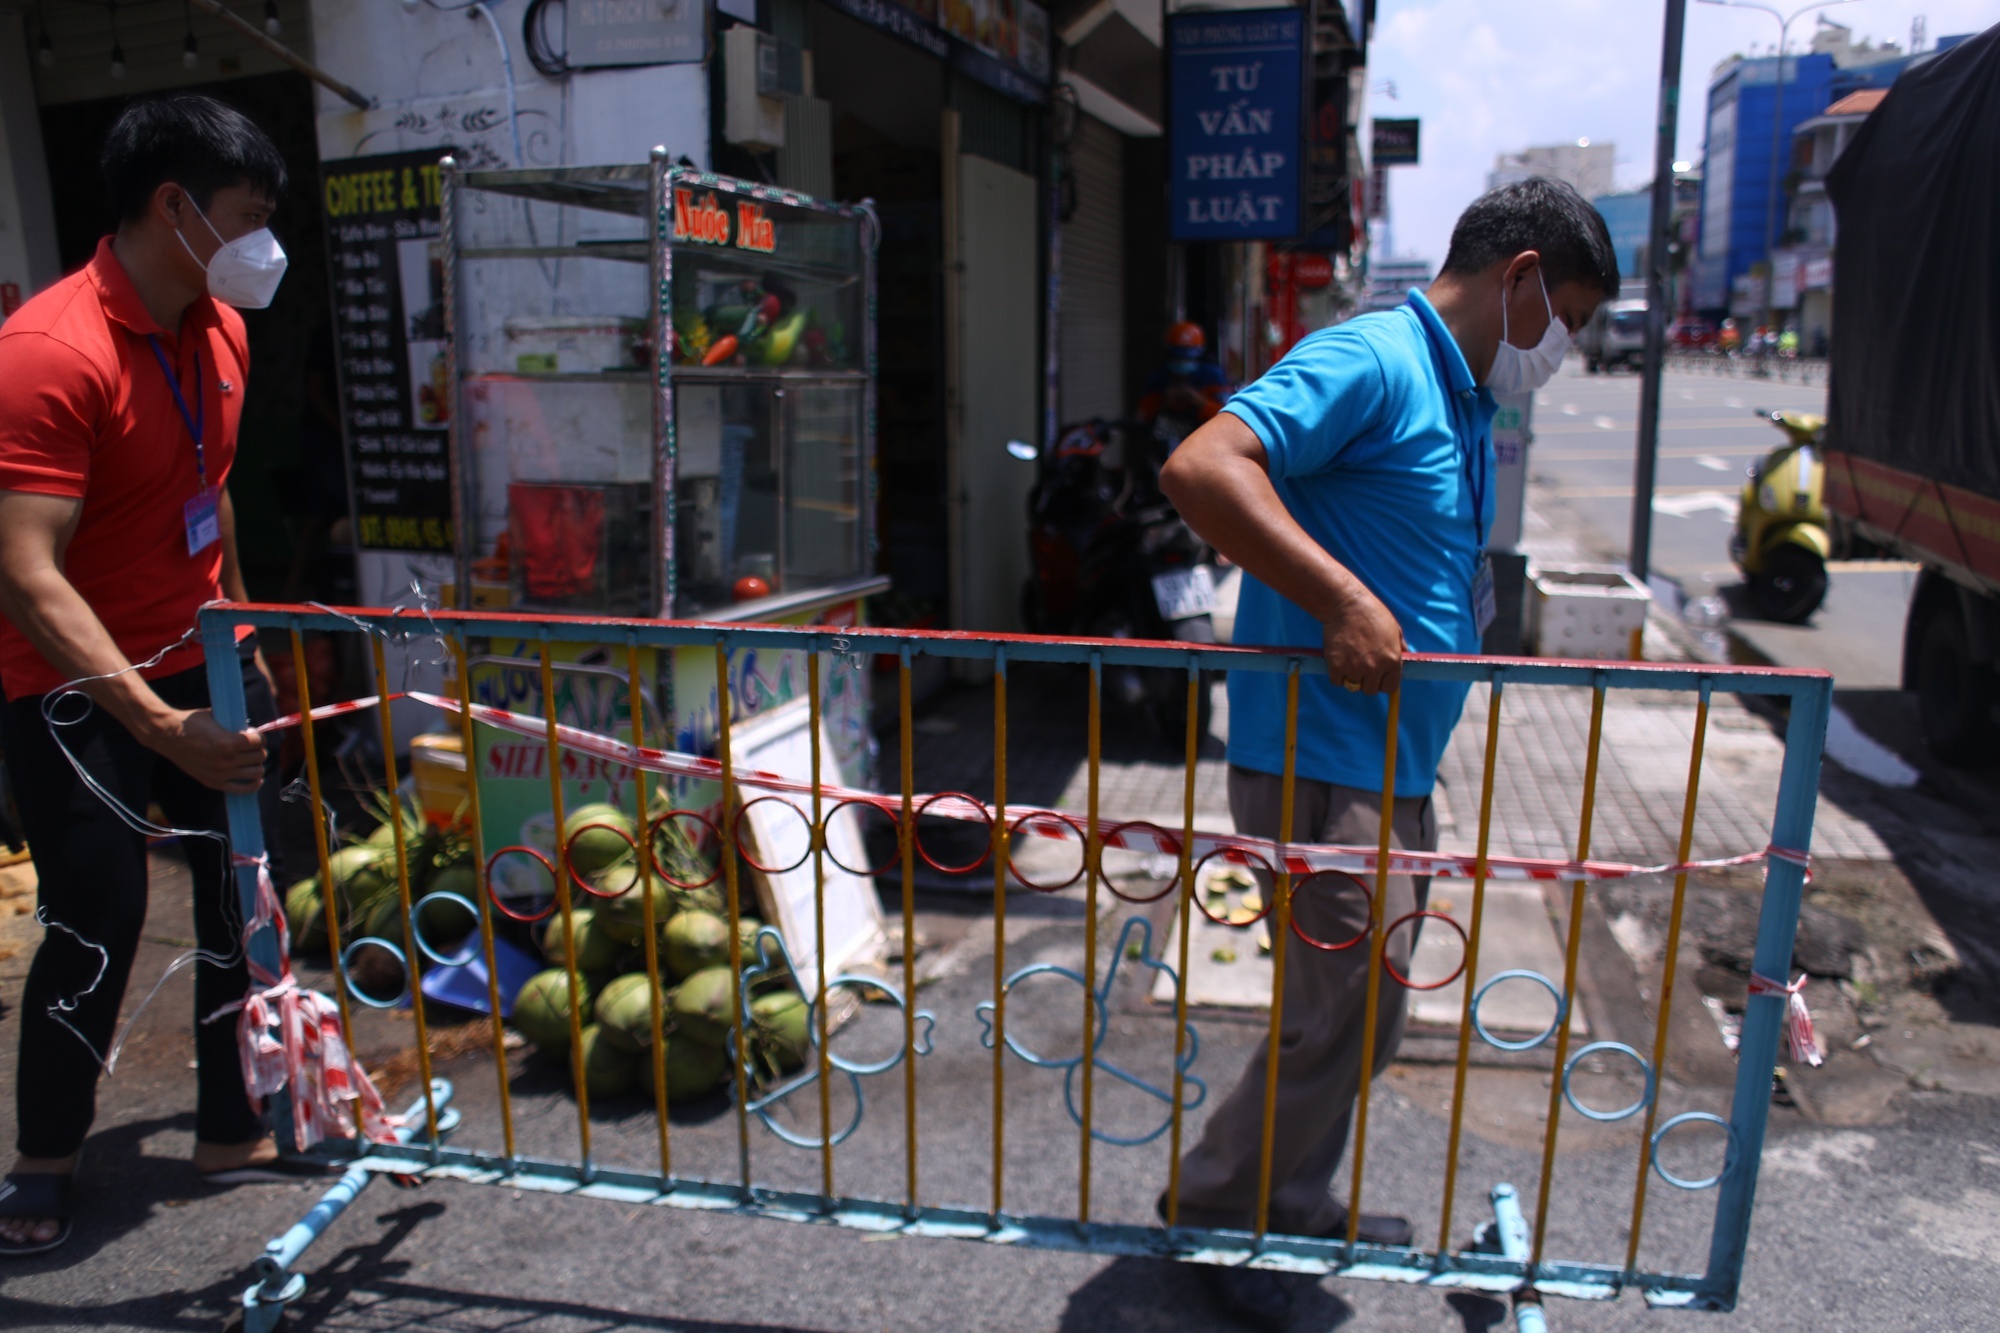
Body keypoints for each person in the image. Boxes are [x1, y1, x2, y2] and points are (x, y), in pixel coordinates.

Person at [1156, 178, 1616, 1328]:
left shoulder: (1456, 394)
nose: (1559, 351)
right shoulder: (1372, 356)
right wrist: (1343, 601)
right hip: (1323, 761)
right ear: (1516, 278)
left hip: (1385, 762)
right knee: (1339, 1015)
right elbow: (1202, 468)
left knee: (1362, 1017)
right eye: (1562, 320)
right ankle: (1226, 1223)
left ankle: (1278, 1202)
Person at [0, 94, 310, 1258]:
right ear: (173, 207)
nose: (263, 240)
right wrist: (160, 722)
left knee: (255, 887)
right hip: (74, 688)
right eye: (248, 214)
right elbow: (26, 574)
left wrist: (243, 628)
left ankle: (231, 1125)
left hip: (205, 656)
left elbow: (210, 488)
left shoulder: (217, 324)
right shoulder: (46, 353)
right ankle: (45, 1153)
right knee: (98, 917)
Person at [1137, 320, 1232, 435]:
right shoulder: (1159, 377)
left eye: (1188, 359)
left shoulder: (1212, 376)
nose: (1182, 362)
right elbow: (1143, 416)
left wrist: (1200, 402)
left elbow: (1227, 416)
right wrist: (1165, 401)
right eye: (1177, 358)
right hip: (1166, 442)